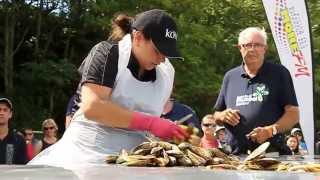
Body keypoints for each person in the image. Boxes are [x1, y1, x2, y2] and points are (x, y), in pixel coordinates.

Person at [29, 9, 188, 167]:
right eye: (158, 50)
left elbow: (156, 114)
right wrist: (151, 123)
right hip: (86, 154)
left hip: (136, 160)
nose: (162, 59)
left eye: (167, 53)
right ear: (138, 37)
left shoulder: (166, 73)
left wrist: (167, 132)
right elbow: (93, 107)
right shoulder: (108, 54)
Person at [213, 27, 299, 155]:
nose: (252, 49)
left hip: (271, 155)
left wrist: (270, 131)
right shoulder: (230, 76)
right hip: (236, 156)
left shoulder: (279, 73)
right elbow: (216, 115)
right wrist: (223, 115)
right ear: (240, 48)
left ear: (265, 48)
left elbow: (293, 114)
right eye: (247, 45)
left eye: (257, 45)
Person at [0, 97, 27, 164]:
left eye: (5, 110)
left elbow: (21, 167)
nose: (1, 113)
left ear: (10, 114)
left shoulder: (19, 140)